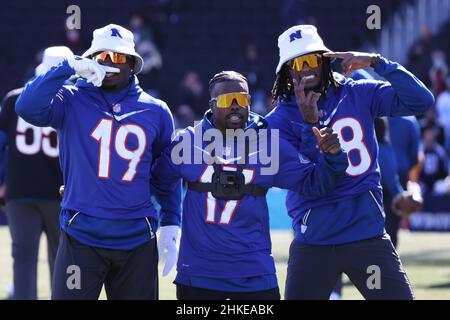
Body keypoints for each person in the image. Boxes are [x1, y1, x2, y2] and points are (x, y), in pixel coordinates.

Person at [266, 25, 434, 299]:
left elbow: (421, 101)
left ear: (324, 59)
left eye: (310, 59)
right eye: (297, 63)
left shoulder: (357, 92)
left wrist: (377, 62)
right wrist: (309, 125)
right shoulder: (279, 120)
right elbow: (311, 183)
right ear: (287, 71)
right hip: (315, 241)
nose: (305, 68)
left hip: (365, 235)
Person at [15, 24, 181, 300]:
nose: (109, 64)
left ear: (131, 63)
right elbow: (26, 106)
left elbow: (165, 175)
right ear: (90, 59)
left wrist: (172, 222)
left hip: (137, 240)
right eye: (101, 56)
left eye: (117, 57)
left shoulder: (156, 110)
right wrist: (67, 67)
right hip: (82, 237)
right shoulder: (71, 99)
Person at [152, 71, 348, 300]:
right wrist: (170, 220)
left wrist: (334, 156)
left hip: (254, 277)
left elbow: (315, 184)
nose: (235, 106)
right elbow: (159, 179)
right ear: (212, 106)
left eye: (242, 99)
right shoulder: (187, 142)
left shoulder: (269, 145)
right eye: (227, 100)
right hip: (198, 275)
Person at [0, 46, 72, 299]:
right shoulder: (72, 103)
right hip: (60, 193)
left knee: (23, 259)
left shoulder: (13, 99)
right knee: (60, 259)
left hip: (20, 191)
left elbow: (0, 144)